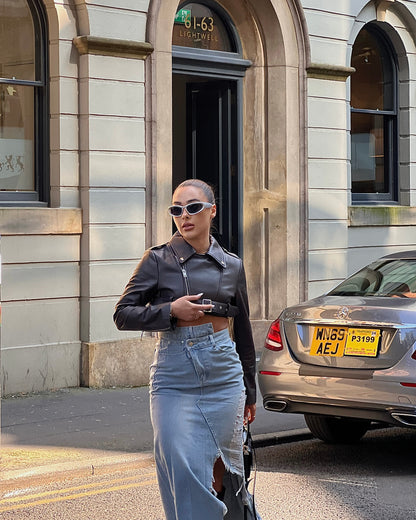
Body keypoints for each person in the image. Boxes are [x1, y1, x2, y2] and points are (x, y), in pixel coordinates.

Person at [113, 179, 257, 520]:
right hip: (174, 375)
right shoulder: (157, 259)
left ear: (212, 210)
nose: (184, 216)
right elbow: (122, 314)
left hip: (225, 374)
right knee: (182, 465)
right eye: (176, 209)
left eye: (193, 207)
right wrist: (170, 312)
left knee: (226, 473)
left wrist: (251, 393)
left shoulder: (233, 265)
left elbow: (246, 331)